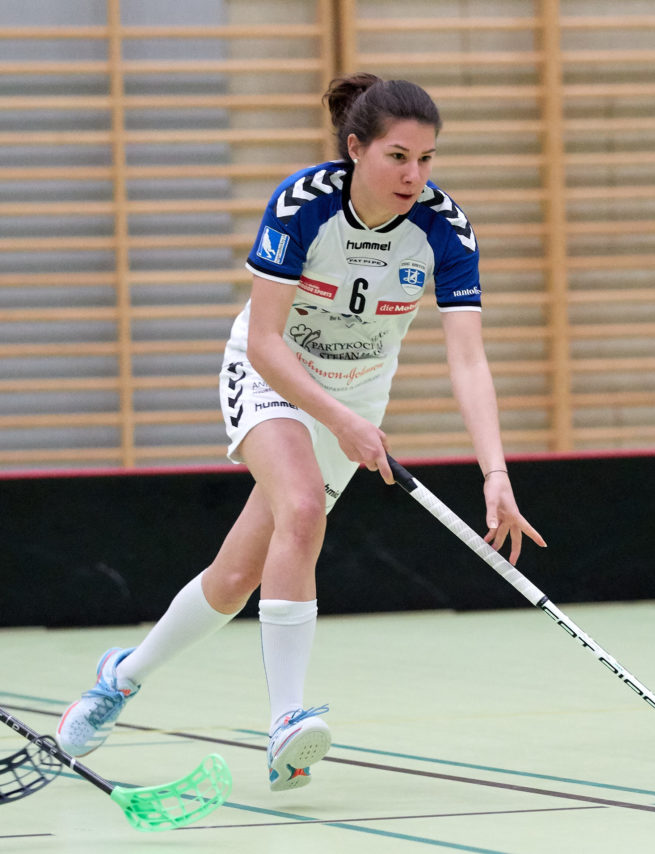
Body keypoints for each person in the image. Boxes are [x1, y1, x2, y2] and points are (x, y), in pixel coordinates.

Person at [54, 73, 545, 790]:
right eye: (398, 157)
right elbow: (266, 342)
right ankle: (288, 722)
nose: (415, 175)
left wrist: (495, 474)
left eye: (428, 159)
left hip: (360, 392)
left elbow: (468, 359)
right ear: (356, 149)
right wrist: (339, 421)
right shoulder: (302, 207)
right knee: (304, 508)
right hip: (271, 374)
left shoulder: (445, 228)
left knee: (235, 576)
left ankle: (119, 680)